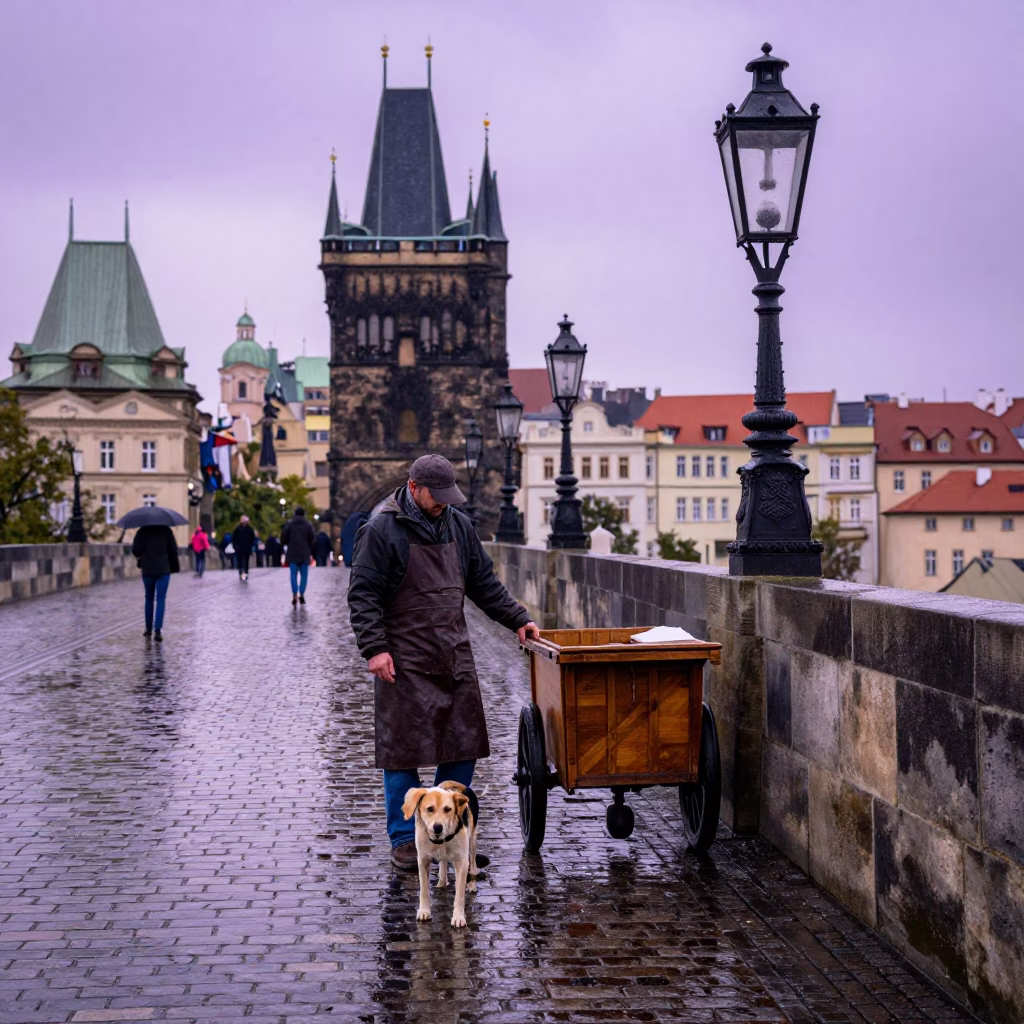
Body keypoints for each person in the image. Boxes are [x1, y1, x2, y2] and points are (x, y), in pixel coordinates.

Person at [348, 453, 539, 870]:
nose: (443, 504)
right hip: (403, 657)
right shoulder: (381, 529)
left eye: (448, 497)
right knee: (402, 751)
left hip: (452, 652)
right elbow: (363, 594)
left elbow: (483, 582)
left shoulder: (458, 524)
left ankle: (449, 834)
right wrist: (374, 648)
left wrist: (518, 618)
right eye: (437, 497)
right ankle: (405, 840)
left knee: (463, 742)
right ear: (414, 488)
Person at [132, 523, 180, 642]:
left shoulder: (142, 530)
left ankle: (148, 629)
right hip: (163, 570)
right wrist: (174, 567)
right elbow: (173, 551)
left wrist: (143, 555)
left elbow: (135, 550)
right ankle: (157, 630)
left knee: (149, 598)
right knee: (160, 599)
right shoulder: (166, 530)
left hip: (147, 569)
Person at [281, 507, 316, 605]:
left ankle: (294, 593)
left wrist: (286, 544)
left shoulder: (290, 524)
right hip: (304, 553)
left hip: (292, 553)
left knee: (293, 574)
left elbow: (284, 537)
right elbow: (312, 538)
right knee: (304, 575)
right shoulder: (308, 525)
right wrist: (309, 548)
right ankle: (302, 594)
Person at [232, 515, 256, 581]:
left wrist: (251, 545)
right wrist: (235, 546)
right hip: (239, 548)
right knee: (240, 562)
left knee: (246, 562)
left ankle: (245, 574)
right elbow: (234, 538)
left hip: (247, 548)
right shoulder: (238, 528)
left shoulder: (250, 529)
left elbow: (252, 538)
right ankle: (241, 573)